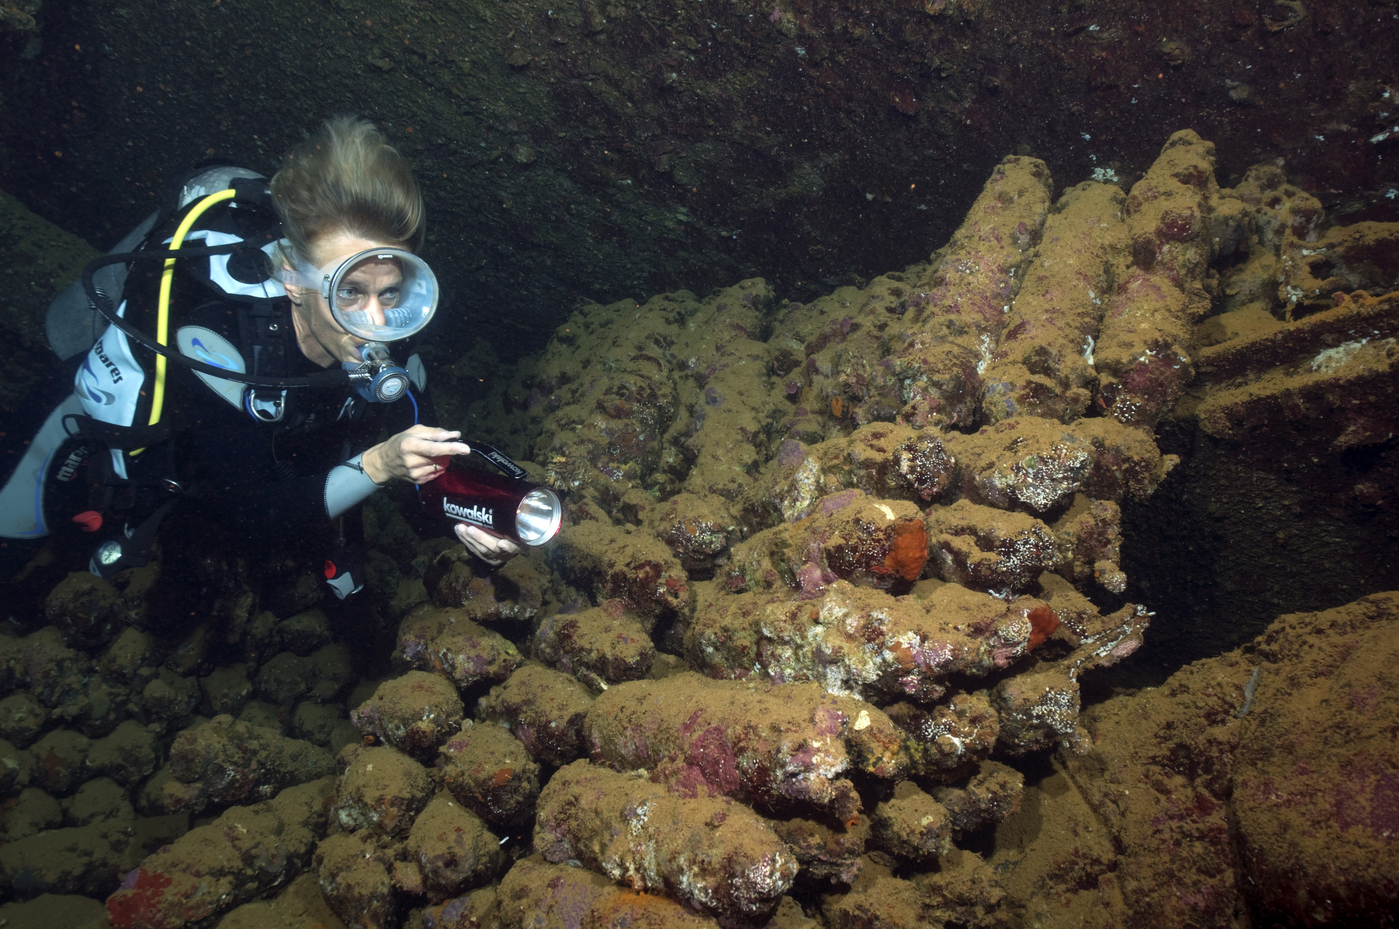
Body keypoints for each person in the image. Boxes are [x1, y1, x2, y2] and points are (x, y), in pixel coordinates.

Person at [0, 116, 524, 589]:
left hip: (245, 495)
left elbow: (420, 485)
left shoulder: (392, 352)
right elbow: (252, 513)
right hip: (89, 450)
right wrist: (379, 462)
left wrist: (474, 518)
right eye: (348, 292)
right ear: (293, 277)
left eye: (391, 292)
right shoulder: (218, 340)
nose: (377, 323)